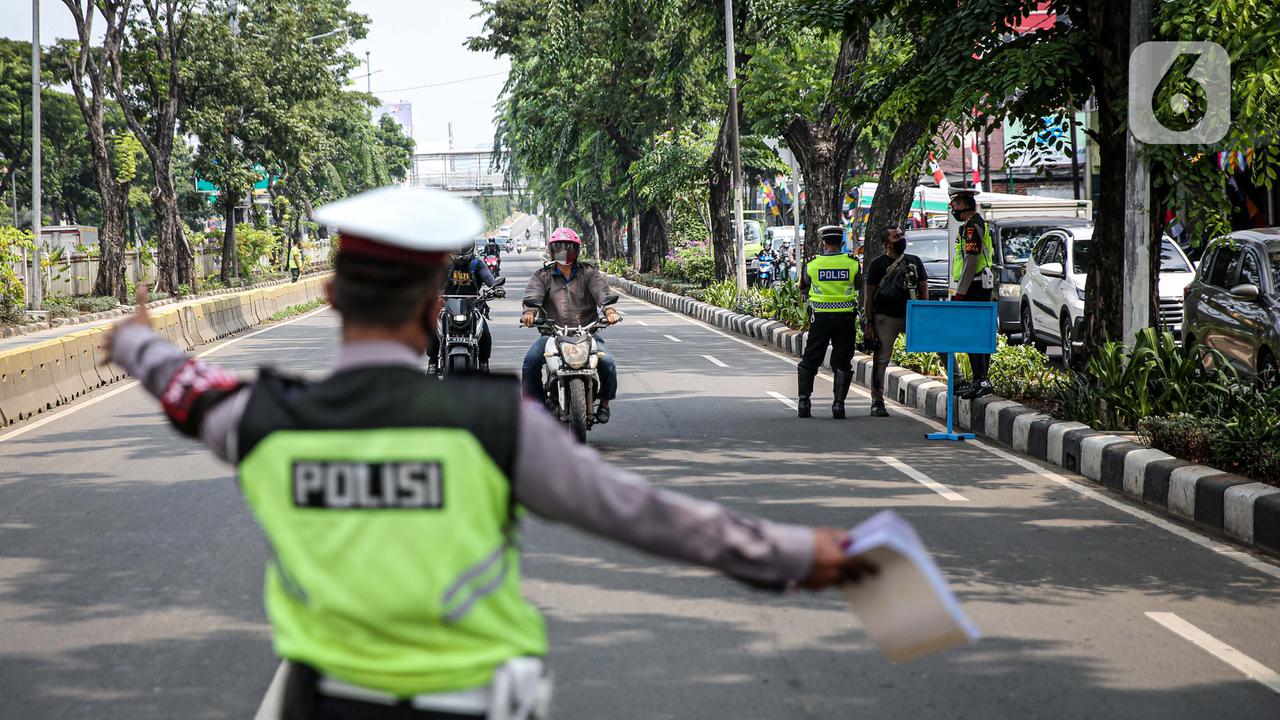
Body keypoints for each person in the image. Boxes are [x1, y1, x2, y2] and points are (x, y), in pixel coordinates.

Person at [103, 187, 875, 719]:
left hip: (328, 702)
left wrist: (134, 338)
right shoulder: (494, 423)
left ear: (331, 296)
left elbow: (186, 387)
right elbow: (647, 516)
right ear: (436, 304)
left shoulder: (266, 420)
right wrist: (793, 552)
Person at [520, 228, 620, 424]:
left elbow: (602, 293)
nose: (563, 252)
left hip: (587, 333)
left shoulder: (588, 273)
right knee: (530, 362)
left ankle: (605, 404)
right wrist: (529, 314)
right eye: (559, 248)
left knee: (608, 363)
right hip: (552, 334)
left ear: (577, 250)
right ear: (552, 251)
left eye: (568, 248)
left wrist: (609, 311)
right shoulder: (543, 275)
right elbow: (533, 295)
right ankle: (537, 406)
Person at [864, 227, 929, 417]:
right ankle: (877, 401)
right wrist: (869, 323)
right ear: (887, 244)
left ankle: (956, 381)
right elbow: (870, 295)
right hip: (885, 317)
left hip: (913, 316)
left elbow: (924, 287)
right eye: (896, 236)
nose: (901, 238)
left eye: (901, 235)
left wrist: (923, 313)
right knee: (881, 360)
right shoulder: (877, 264)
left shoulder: (914, 261)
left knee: (939, 343)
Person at [796, 225, 860, 419]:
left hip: (820, 317)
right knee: (842, 360)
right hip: (846, 317)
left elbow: (802, 286)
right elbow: (858, 285)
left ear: (823, 243)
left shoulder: (813, 264)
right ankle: (838, 405)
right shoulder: (852, 263)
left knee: (810, 358)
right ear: (841, 243)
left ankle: (804, 403)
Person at [432, 239, 505, 373]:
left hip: (473, 306)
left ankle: (483, 362)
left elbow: (489, 279)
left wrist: (496, 288)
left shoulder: (477, 263)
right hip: (446, 306)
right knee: (433, 331)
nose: (460, 251)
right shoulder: (444, 263)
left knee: (486, 334)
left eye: (464, 247)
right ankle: (432, 363)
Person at [949, 189, 995, 399]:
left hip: (974, 286)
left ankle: (981, 379)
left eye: (956, 204)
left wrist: (961, 292)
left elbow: (971, 261)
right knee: (975, 334)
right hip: (975, 285)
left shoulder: (972, 226)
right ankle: (979, 378)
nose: (953, 208)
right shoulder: (971, 224)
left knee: (973, 334)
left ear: (967, 204)